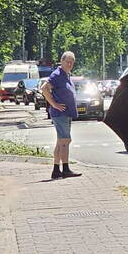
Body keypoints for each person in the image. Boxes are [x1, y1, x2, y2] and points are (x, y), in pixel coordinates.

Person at [42, 51, 82, 180]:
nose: (70, 64)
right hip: (61, 113)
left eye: (72, 62)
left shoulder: (66, 74)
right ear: (62, 61)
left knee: (61, 141)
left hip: (66, 113)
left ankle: (56, 170)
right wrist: (54, 104)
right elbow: (44, 88)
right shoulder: (57, 74)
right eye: (67, 61)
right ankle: (65, 169)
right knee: (65, 140)